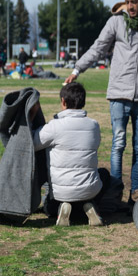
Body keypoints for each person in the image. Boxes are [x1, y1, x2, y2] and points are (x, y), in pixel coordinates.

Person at [66, 0, 138, 204]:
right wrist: (77, 69)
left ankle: (136, 192)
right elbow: (98, 47)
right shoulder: (116, 22)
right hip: (118, 94)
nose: (130, 6)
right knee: (118, 144)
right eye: (127, 1)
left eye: (134, 2)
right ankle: (114, 193)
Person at [30, 81, 106, 227]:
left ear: (63, 101)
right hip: (89, 190)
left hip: (61, 192)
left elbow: (31, 143)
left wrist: (32, 115)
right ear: (83, 102)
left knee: (49, 206)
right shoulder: (94, 125)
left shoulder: (54, 126)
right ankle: (87, 205)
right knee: (105, 175)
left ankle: (64, 208)